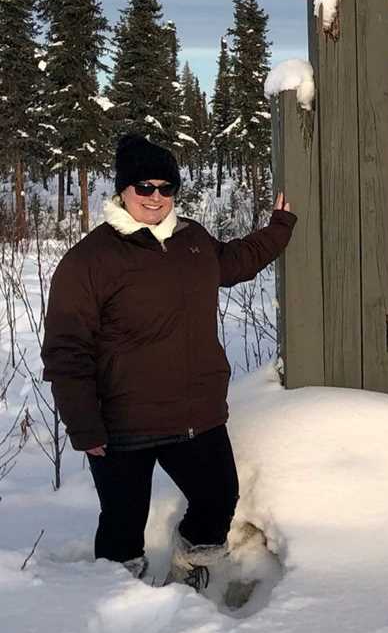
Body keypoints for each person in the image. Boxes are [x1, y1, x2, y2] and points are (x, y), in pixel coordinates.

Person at [41, 133, 296, 587]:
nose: (156, 198)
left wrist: (279, 227)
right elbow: (66, 349)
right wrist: (84, 424)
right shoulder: (90, 261)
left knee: (218, 498)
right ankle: (118, 597)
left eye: (166, 187)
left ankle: (193, 564)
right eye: (144, 187)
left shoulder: (192, 239)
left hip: (195, 414)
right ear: (122, 191)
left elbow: (234, 261)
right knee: (122, 524)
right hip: (123, 424)